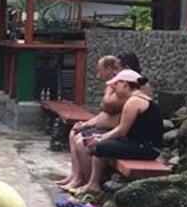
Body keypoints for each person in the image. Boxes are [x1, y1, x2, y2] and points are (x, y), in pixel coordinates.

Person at [76, 69, 164, 198]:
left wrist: (100, 138)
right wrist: (100, 137)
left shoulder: (134, 101)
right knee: (100, 143)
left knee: (99, 146)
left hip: (147, 148)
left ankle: (94, 184)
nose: (114, 89)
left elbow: (121, 130)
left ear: (125, 84)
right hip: (139, 144)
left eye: (115, 85)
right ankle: (93, 183)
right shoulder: (137, 99)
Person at [57, 56, 124, 190]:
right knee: (74, 132)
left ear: (111, 69)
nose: (98, 75)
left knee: (82, 142)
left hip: (113, 131)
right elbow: (103, 113)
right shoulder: (114, 87)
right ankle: (76, 175)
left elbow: (107, 107)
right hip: (103, 126)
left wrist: (110, 87)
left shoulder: (120, 88)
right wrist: (86, 124)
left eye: (100, 70)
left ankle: (89, 181)